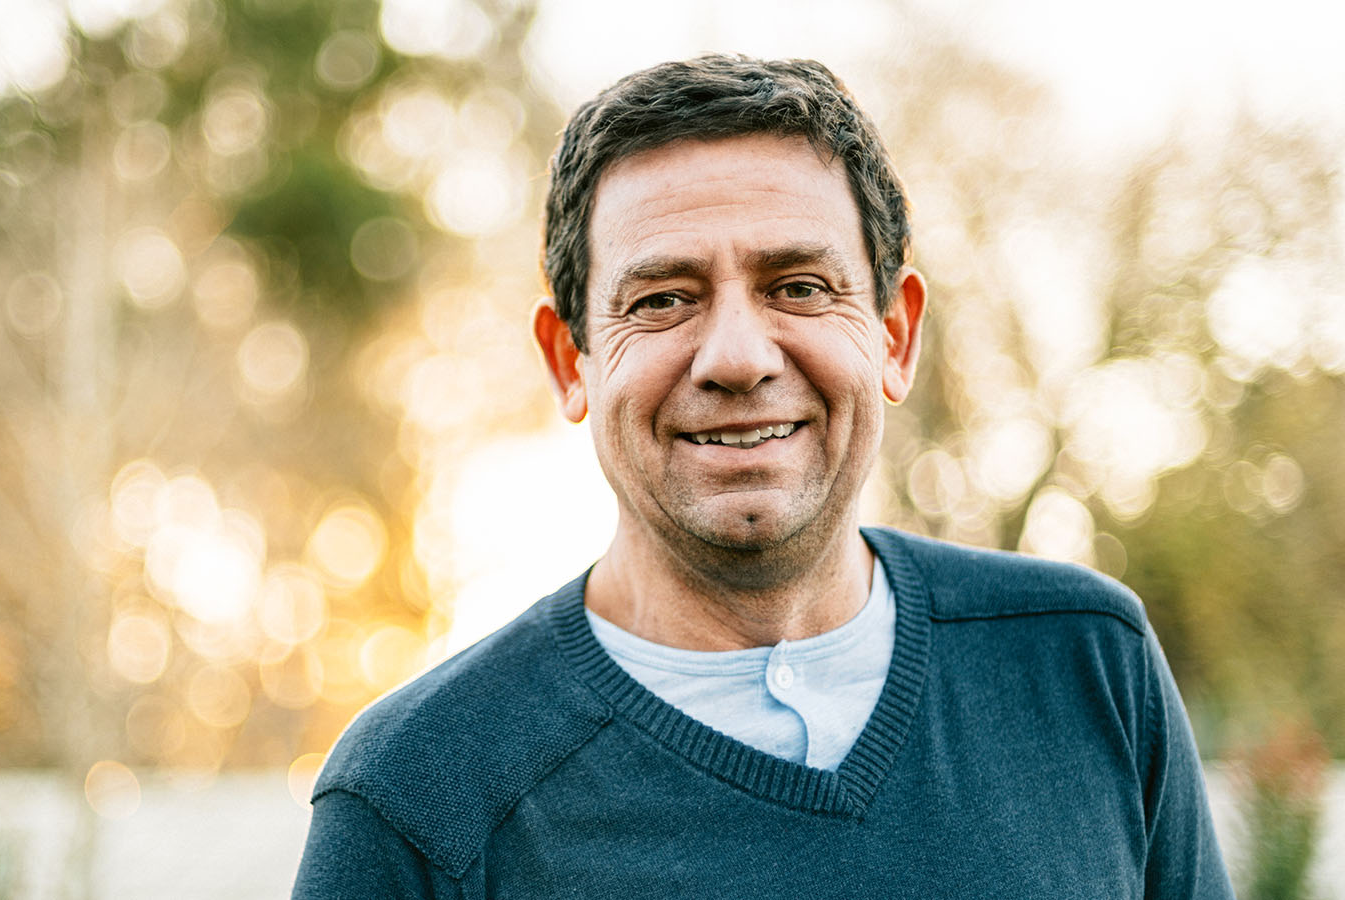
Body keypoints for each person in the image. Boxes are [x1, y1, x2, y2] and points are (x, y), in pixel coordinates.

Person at [292, 55, 1234, 898]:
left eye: (799, 287)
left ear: (895, 336)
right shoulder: (415, 799)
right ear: (569, 360)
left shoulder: (1084, 664)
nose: (738, 358)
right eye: (664, 299)